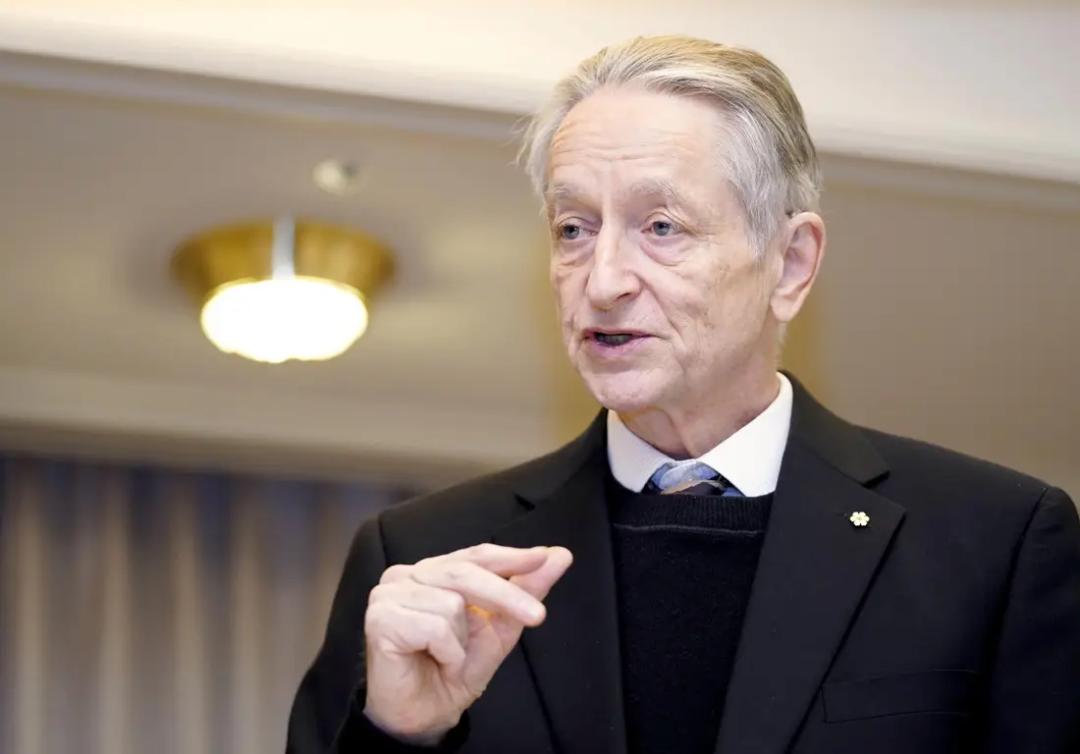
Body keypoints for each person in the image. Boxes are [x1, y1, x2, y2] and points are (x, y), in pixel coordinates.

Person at [286, 36, 1080, 754]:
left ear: (790, 264)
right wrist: (399, 737)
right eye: (573, 229)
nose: (602, 282)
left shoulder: (994, 544)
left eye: (661, 227)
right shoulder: (424, 557)